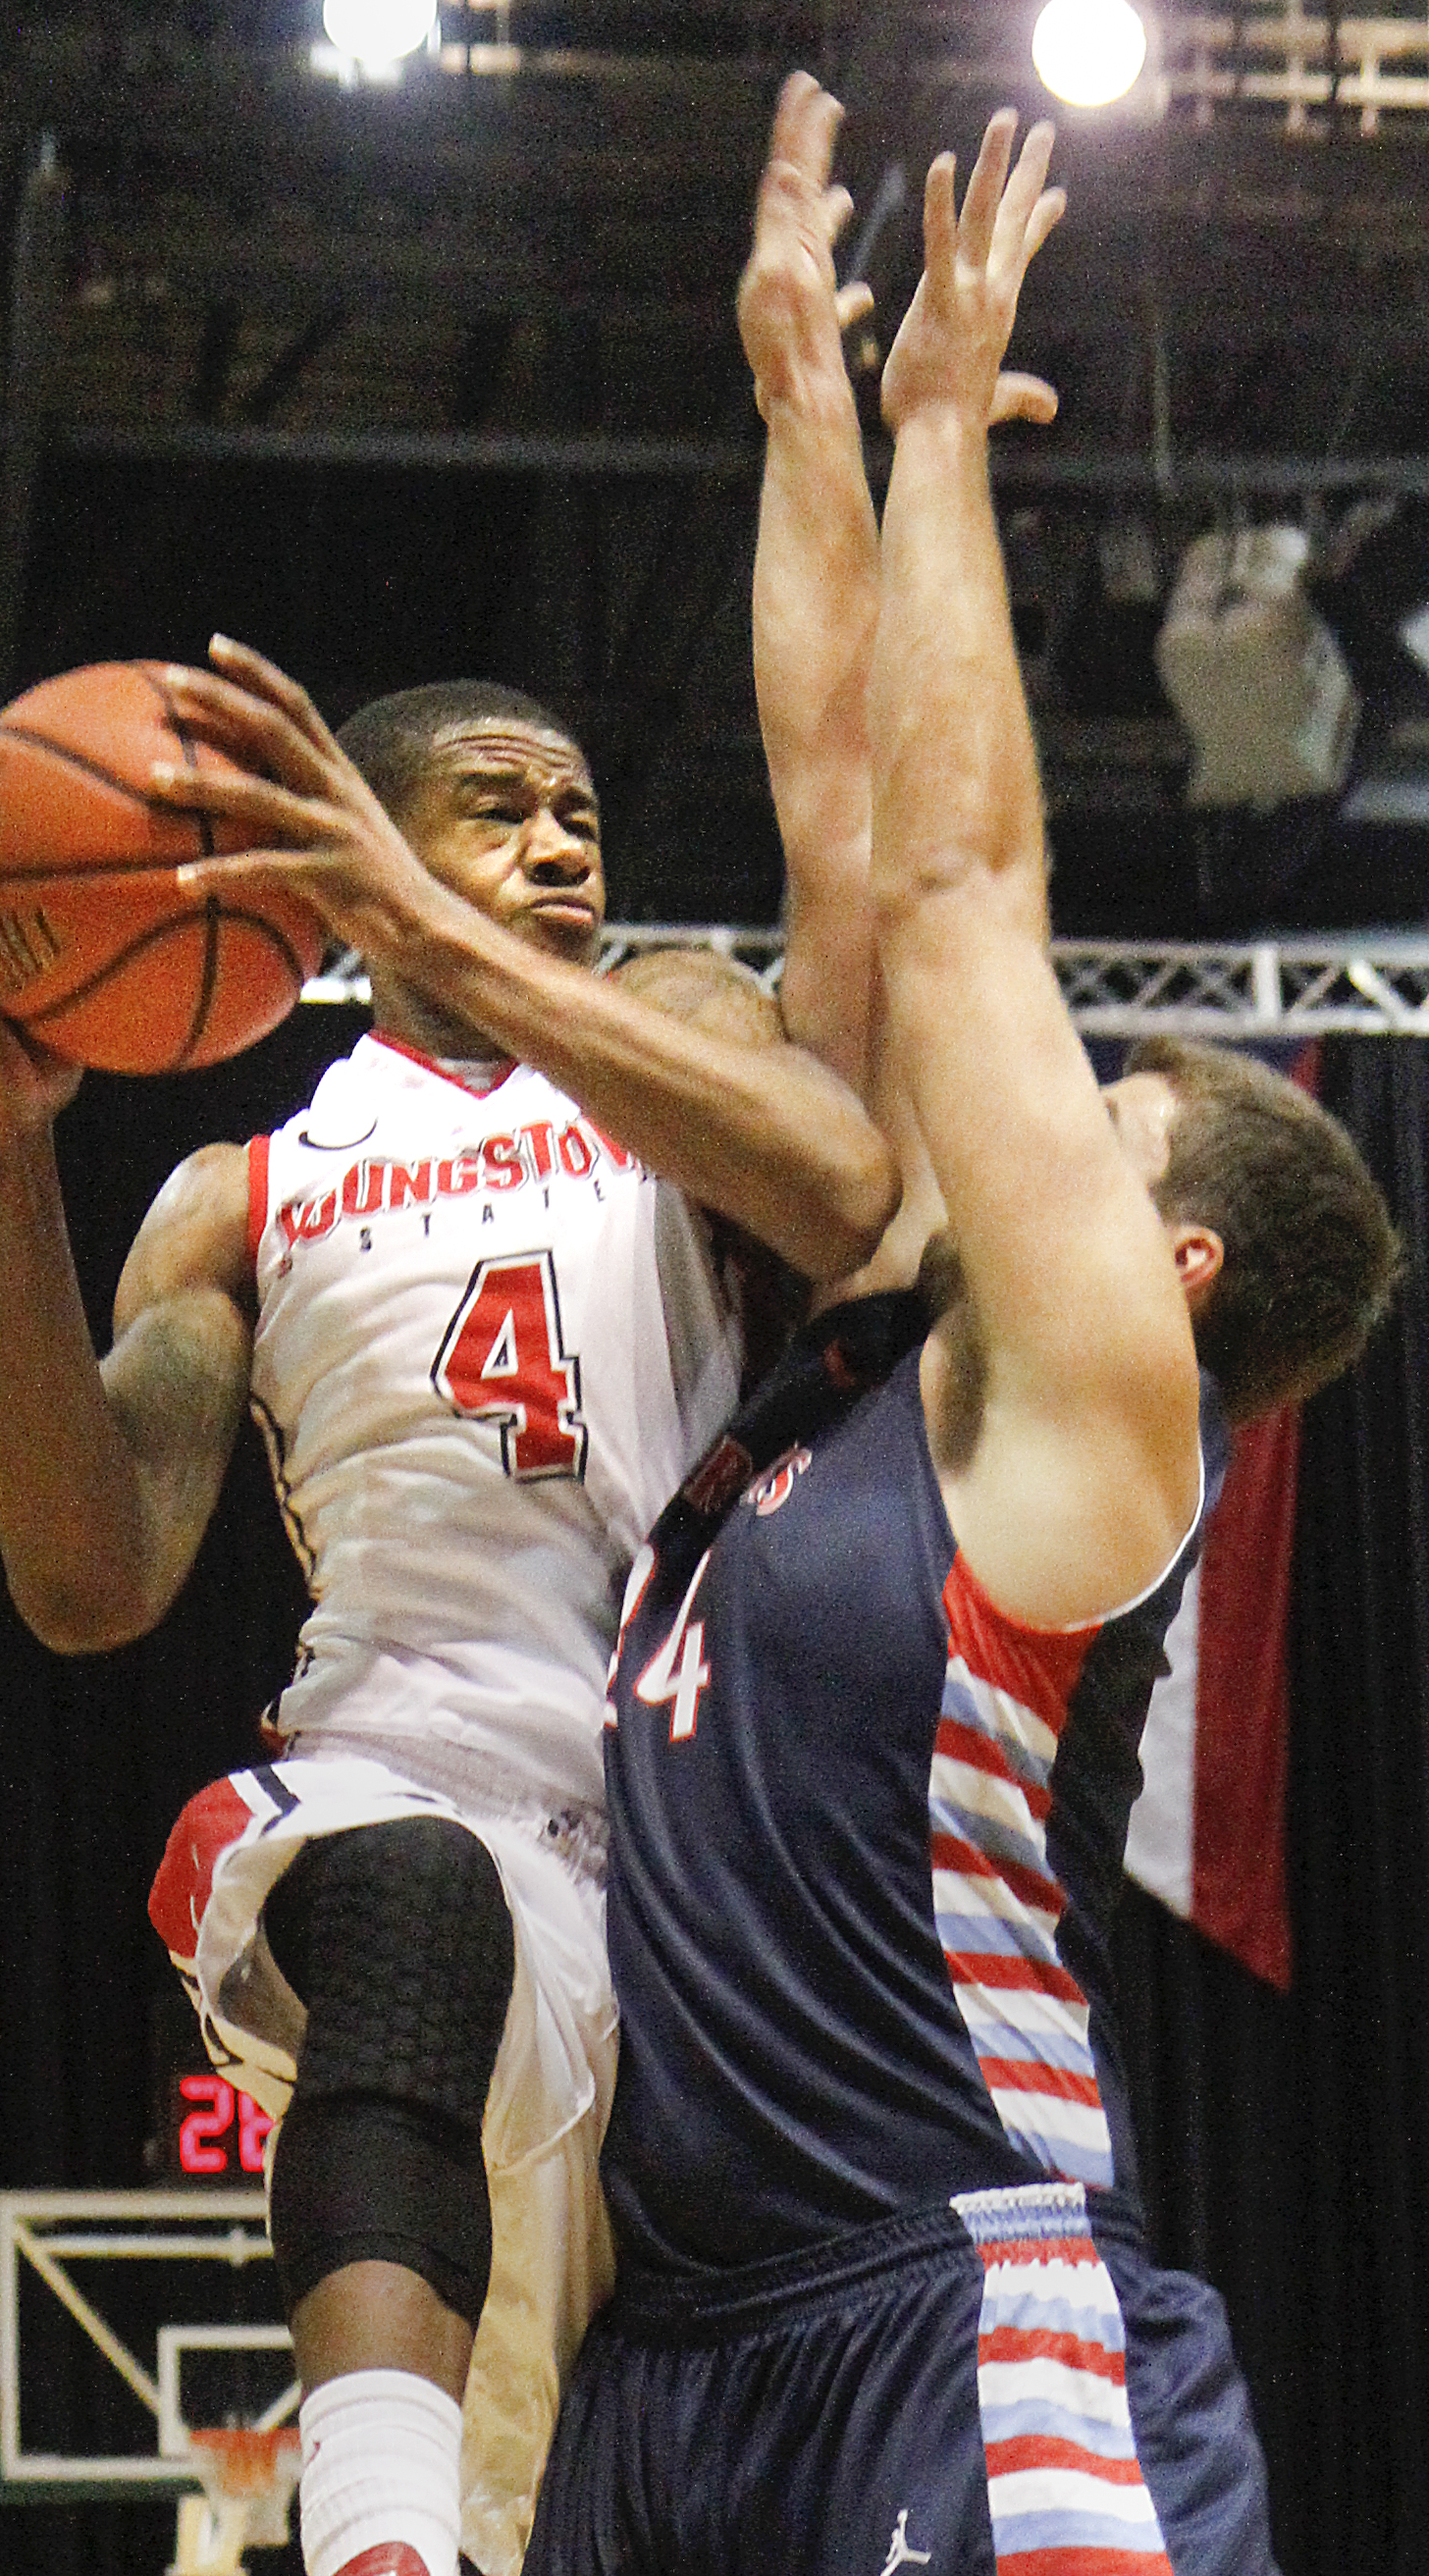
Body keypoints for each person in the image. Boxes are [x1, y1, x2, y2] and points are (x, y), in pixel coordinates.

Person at [519, 102, 1401, 2576]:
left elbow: (953, 881)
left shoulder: (1090, 1415)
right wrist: (803, 402)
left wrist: (938, 431)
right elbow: (840, 822)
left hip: (955, 2317)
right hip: (683, 2364)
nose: (1022, 1125)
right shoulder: (878, 1352)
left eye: (1094, 1126)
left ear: (1170, 1266)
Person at [0, 657, 897, 2576]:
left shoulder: (670, 1031)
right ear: (349, 849)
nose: (558, 841)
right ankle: (364, 2540)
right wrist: (4, 1150)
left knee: (598, 2504)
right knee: (406, 1888)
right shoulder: (243, 1194)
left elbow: (840, 1191)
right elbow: (86, 1578)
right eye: (498, 807)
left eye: (577, 811)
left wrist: (458, 942)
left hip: (696, 1868)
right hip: (414, 1772)